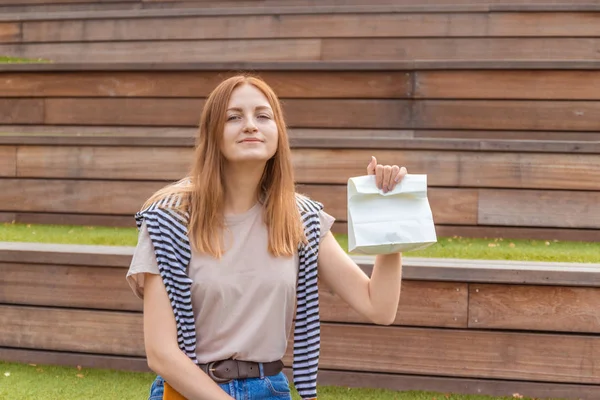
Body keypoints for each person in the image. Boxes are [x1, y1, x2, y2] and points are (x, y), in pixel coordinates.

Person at [126, 75, 407, 400]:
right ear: (212, 134)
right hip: (188, 390)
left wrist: (391, 212)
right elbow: (161, 353)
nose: (250, 126)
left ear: (278, 134)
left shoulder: (301, 219)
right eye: (234, 117)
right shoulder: (169, 219)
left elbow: (380, 308)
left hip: (270, 389)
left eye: (262, 115)